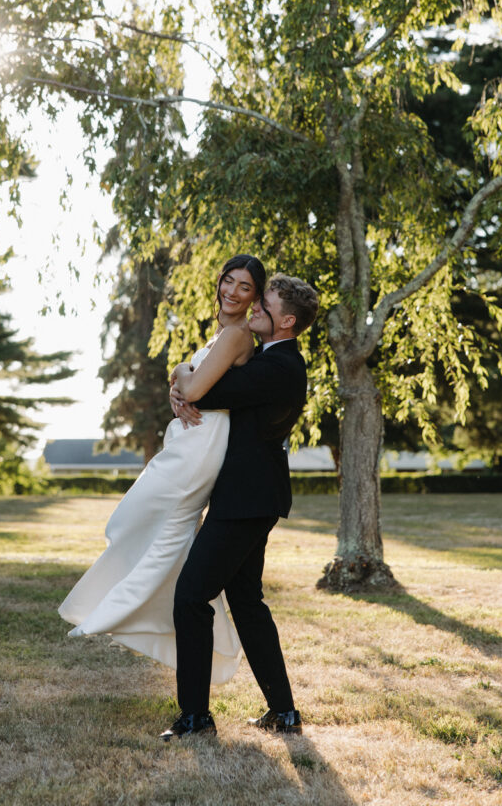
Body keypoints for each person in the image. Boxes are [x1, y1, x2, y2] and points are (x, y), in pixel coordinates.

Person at [58, 254, 266, 685]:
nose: (231, 291)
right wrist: (180, 390)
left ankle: (112, 610)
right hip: (193, 434)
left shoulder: (237, 334)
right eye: (228, 281)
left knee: (159, 523)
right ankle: (120, 610)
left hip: (201, 445)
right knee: (152, 527)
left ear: (254, 297)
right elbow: (195, 387)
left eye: (244, 287)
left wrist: (179, 379)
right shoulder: (224, 334)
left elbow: (194, 385)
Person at [160, 273, 319, 742]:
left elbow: (205, 389)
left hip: (246, 499)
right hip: (252, 496)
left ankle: (195, 717)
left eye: (264, 303)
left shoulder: (279, 366)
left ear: (286, 320)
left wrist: (180, 375)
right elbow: (204, 387)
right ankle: (284, 712)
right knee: (247, 602)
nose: (254, 308)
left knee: (191, 596)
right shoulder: (275, 361)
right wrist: (184, 383)